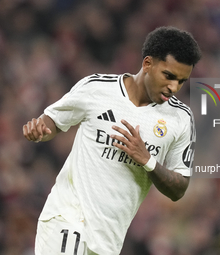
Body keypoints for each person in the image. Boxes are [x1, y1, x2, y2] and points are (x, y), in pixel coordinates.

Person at [23, 26, 201, 254]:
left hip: (108, 240)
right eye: (168, 76)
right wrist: (41, 130)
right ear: (148, 64)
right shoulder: (97, 88)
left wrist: (147, 160)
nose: (173, 87)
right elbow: (54, 120)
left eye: (181, 81)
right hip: (67, 219)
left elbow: (179, 189)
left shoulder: (180, 119)